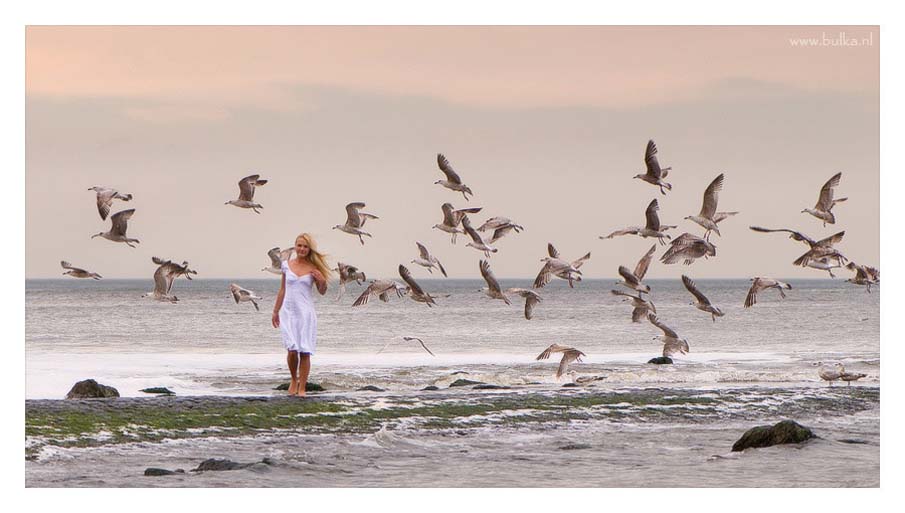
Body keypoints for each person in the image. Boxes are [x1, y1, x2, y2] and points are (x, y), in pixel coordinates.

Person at [272, 233, 330, 396]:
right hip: (288, 311)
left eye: (305, 246)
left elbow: (322, 291)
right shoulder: (286, 265)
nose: (302, 249)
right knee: (292, 349)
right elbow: (282, 289)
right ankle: (293, 380)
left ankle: (302, 387)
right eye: (299, 245)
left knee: (304, 350)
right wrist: (275, 311)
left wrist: (322, 281)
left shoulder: (314, 268)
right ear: (295, 246)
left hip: (305, 312)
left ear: (309, 249)